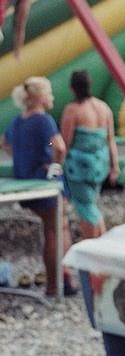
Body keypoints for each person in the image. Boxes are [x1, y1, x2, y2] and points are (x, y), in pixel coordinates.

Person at [2, 76, 71, 296]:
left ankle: (63, 276)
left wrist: (22, 159)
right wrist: (55, 168)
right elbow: (58, 146)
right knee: (55, 229)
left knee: (55, 227)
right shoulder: (44, 121)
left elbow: (4, 142)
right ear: (41, 98)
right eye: (50, 93)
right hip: (44, 181)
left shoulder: (18, 120)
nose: (53, 97)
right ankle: (55, 283)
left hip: (26, 180)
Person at [58, 69, 118, 240]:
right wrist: (115, 165)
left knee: (85, 209)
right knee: (92, 207)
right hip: (100, 165)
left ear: (72, 89)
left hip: (80, 168)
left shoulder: (72, 110)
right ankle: (101, 251)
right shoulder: (103, 107)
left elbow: (65, 143)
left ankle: (92, 255)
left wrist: (56, 166)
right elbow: (111, 140)